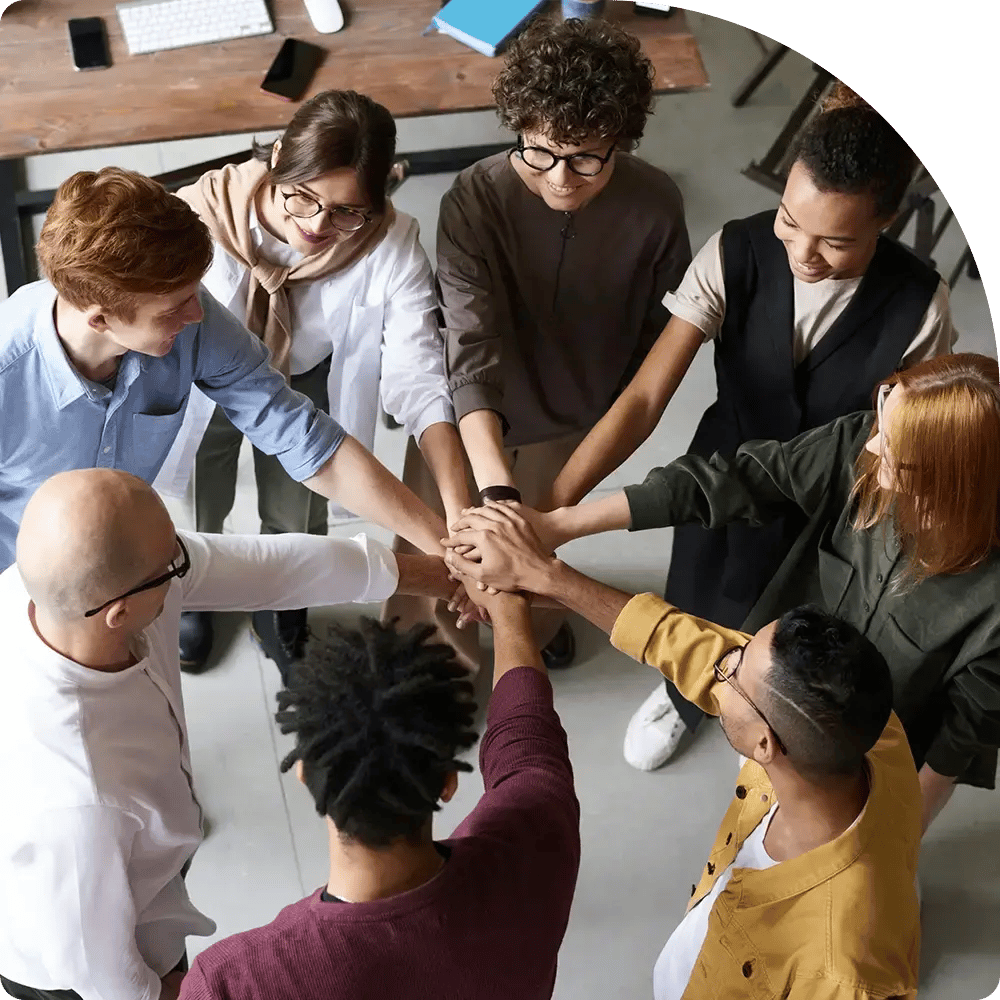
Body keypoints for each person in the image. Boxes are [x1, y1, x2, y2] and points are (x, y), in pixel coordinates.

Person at [546, 84, 956, 769]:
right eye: (791, 221)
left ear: (886, 222)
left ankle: (767, 714)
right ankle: (684, 696)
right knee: (700, 588)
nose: (803, 254)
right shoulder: (735, 251)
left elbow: (914, 440)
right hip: (720, 475)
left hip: (834, 503)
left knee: (798, 626)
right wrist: (556, 504)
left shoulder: (919, 304)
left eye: (836, 242)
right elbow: (646, 396)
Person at [454, 353, 1000, 830]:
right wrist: (557, 527)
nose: (873, 443)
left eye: (896, 453)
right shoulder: (864, 442)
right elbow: (738, 480)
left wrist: (898, 836)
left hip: (872, 758)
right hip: (775, 687)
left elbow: (959, 741)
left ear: (953, 482)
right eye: (883, 414)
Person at [0, 468, 460, 1000]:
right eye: (171, 560)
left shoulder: (60, 587)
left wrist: (436, 574)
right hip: (81, 954)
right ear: (119, 613)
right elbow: (100, 974)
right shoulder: (82, 803)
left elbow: (270, 569)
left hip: (139, 862)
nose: (185, 560)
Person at [444, 503, 922, 999]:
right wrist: (545, 575)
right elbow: (693, 645)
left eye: (734, 671)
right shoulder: (868, 729)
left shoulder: (841, 969)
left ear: (766, 744)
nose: (721, 664)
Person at [0, 166, 451, 670]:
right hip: (15, 589)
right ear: (100, 317)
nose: (196, 315)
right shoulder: (6, 376)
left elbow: (302, 435)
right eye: (174, 308)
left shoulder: (187, 312)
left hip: (130, 582)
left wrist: (447, 547)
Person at [389, 15, 692, 673]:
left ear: (622, 140)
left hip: (572, 420)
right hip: (471, 417)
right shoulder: (477, 195)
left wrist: (532, 519)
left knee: (538, 557)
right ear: (517, 129)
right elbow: (469, 347)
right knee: (443, 545)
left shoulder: (658, 209)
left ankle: (535, 622)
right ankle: (438, 660)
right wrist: (496, 498)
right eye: (541, 153)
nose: (560, 178)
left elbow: (652, 354)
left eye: (587, 158)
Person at [160, 90, 467, 677]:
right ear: (278, 158)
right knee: (202, 494)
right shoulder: (199, 213)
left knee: (298, 510)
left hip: (307, 378)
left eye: (347, 210)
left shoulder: (389, 241)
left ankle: (283, 601)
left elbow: (418, 373)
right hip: (205, 382)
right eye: (302, 197)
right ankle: (197, 584)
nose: (318, 226)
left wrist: (453, 514)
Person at [177, 573, 579, 998]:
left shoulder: (232, 983)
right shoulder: (538, 836)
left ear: (306, 776)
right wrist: (509, 608)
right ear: (448, 780)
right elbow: (527, 738)